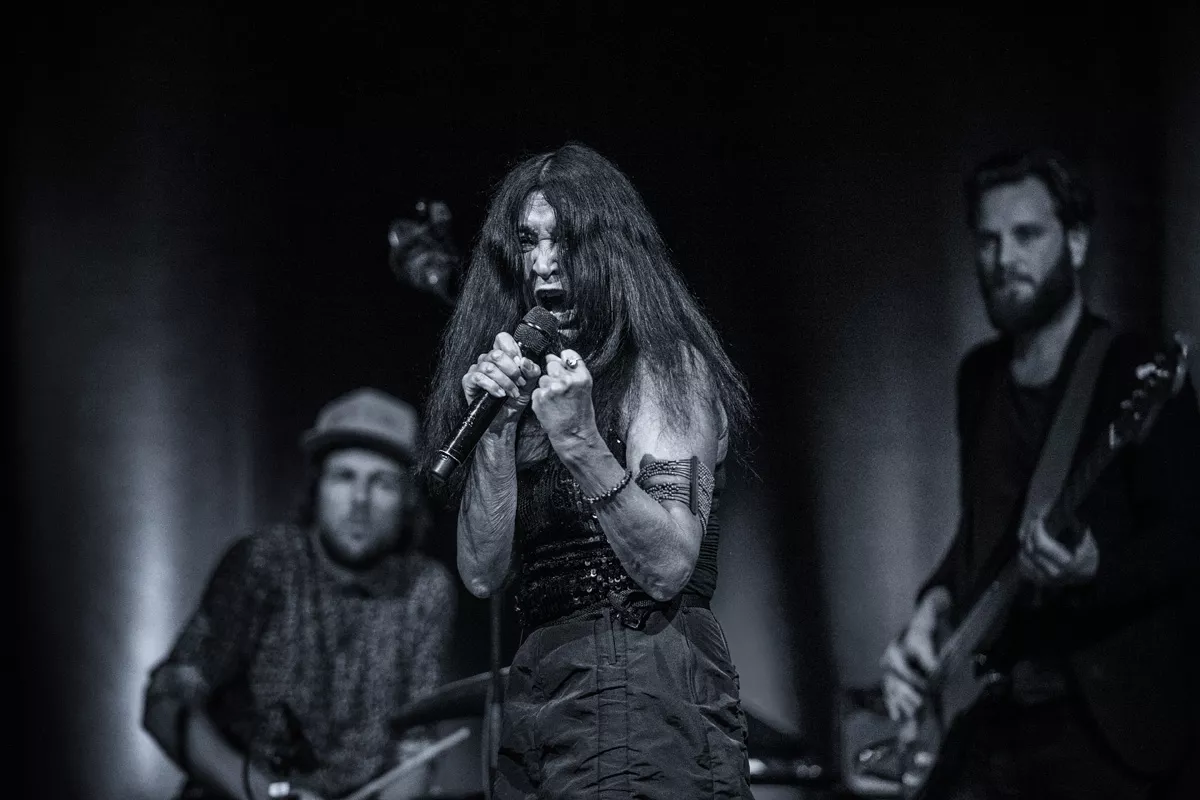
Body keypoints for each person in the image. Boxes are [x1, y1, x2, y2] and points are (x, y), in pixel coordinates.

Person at [423, 142, 755, 798]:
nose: (544, 265)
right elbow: (482, 574)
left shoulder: (664, 367)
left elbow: (669, 563)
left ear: (612, 249)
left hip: (643, 679)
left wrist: (579, 441)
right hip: (540, 690)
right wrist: (496, 432)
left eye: (566, 241)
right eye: (529, 241)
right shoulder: (537, 389)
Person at [880, 147, 1200, 799]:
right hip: (995, 707)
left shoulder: (1134, 370)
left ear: (1076, 243)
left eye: (1027, 235)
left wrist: (1095, 569)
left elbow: (1188, 536)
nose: (1004, 259)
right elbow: (983, 532)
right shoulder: (979, 378)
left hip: (1102, 720)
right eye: (988, 240)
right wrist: (931, 610)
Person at [143, 388, 457, 800]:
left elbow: (417, 752)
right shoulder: (265, 564)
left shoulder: (424, 589)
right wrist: (268, 794)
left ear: (408, 500)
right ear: (316, 486)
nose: (360, 500)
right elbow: (165, 704)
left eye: (382, 482)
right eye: (344, 477)